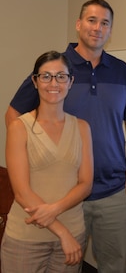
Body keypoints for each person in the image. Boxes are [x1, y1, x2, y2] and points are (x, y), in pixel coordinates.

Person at [4, 0, 126, 272]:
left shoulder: (123, 72)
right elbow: (13, 117)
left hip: (114, 192)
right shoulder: (56, 69)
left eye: (105, 23)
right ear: (78, 24)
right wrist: (32, 163)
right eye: (91, 20)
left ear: (110, 30)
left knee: (113, 265)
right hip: (63, 196)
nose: (97, 28)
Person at [1, 51, 93, 272]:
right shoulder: (19, 127)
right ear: (35, 81)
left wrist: (54, 210)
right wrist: (61, 232)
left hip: (73, 233)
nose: (54, 83)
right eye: (46, 76)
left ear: (70, 82)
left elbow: (85, 184)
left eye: (61, 76)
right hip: (26, 239)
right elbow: (22, 193)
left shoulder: (82, 128)